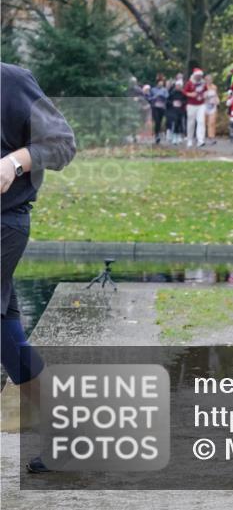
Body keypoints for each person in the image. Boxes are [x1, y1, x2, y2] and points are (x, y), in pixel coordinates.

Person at [1, 62, 77, 474]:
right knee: (8, 338)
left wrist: (13, 163)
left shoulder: (10, 82)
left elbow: (62, 143)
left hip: (3, 224)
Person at [183, 67, 208, 147]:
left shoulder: (203, 83)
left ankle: (200, 140)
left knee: (201, 121)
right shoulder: (190, 83)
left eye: (200, 76)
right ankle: (190, 139)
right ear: (194, 75)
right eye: (197, 76)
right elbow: (184, 92)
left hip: (201, 104)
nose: (199, 77)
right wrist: (190, 94)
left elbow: (206, 91)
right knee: (191, 122)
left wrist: (206, 95)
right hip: (191, 105)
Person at [147, 76, 169, 144]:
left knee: (160, 121)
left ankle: (159, 134)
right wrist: (155, 97)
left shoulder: (165, 90)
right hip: (155, 107)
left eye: (162, 84)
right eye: (159, 83)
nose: (160, 85)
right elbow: (149, 98)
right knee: (157, 121)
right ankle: (157, 135)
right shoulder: (153, 89)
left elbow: (167, 96)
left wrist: (162, 96)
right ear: (157, 83)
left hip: (162, 107)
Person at [166, 76, 187, 144]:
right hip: (173, 110)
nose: (178, 87)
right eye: (177, 86)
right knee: (175, 122)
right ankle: (174, 136)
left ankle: (179, 136)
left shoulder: (183, 93)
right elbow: (167, 101)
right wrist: (173, 103)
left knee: (180, 123)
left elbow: (186, 101)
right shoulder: (172, 93)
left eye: (179, 86)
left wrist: (181, 103)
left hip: (181, 110)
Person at [204, 74, 220, 144]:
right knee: (203, 122)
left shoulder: (214, 87)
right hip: (204, 106)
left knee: (212, 122)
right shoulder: (203, 87)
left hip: (212, 107)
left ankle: (211, 137)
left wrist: (217, 101)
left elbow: (216, 95)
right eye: (207, 79)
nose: (209, 81)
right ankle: (201, 137)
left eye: (210, 79)